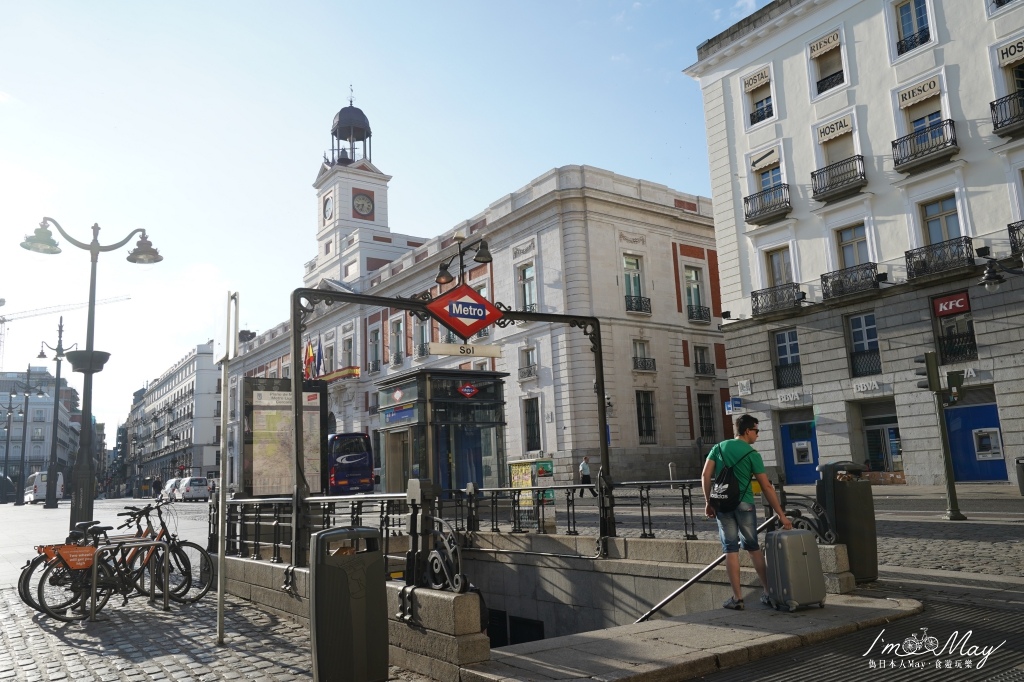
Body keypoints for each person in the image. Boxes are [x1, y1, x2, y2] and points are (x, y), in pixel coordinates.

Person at [702, 414, 792, 611]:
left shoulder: (718, 448)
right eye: (756, 431)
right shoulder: (752, 455)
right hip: (745, 505)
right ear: (747, 431)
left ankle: (737, 598)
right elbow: (767, 486)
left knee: (730, 550)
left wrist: (709, 502)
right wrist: (781, 514)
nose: (758, 435)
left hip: (723, 505)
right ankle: (768, 593)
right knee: (753, 548)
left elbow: (705, 475)